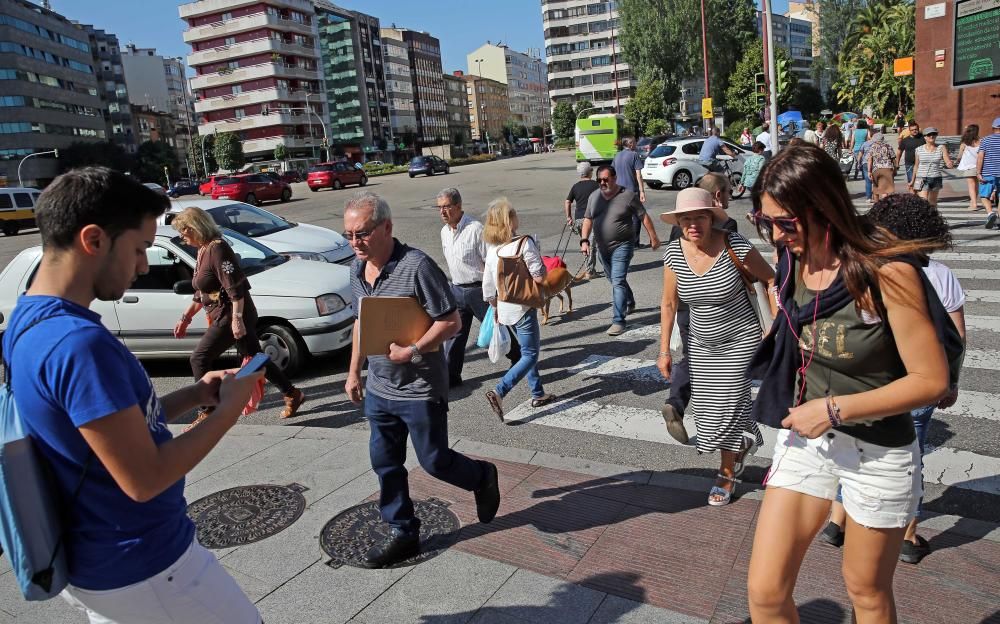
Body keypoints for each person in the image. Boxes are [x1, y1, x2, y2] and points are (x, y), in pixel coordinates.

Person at [4, 167, 265, 623]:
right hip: (148, 566)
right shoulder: (77, 344)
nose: (144, 265)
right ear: (94, 240)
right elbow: (144, 479)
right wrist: (226, 411)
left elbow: (108, 433)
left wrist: (197, 394)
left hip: (102, 564)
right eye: (139, 248)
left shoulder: (27, 321)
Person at [745, 145, 950, 621]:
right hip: (807, 443)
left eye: (786, 222)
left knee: (866, 592)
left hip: (877, 451)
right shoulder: (790, 258)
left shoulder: (886, 270)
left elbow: (932, 379)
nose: (776, 234)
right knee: (765, 592)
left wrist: (834, 409)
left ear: (823, 207)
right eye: (765, 220)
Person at [342, 191, 501, 568]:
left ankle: (481, 476)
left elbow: (451, 322)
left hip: (419, 388)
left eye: (361, 233)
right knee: (384, 461)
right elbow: (361, 321)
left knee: (434, 461)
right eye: (348, 234)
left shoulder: (416, 267)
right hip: (380, 387)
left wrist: (412, 350)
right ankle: (403, 531)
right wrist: (354, 371)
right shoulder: (355, 269)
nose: (355, 242)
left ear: (386, 227)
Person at [821, 193, 966, 564]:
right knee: (909, 459)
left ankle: (837, 521)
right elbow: (955, 336)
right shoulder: (937, 273)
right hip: (915, 387)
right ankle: (908, 534)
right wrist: (950, 381)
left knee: (854, 450)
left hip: (869, 385)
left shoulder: (864, 267)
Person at [658, 187, 776, 506]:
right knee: (709, 413)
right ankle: (741, 444)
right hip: (701, 342)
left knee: (727, 405)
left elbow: (771, 279)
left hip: (741, 339)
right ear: (679, 222)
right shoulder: (673, 253)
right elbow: (669, 304)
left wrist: (776, 326)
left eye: (699, 217)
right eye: (686, 218)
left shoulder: (733, 244)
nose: (693, 224)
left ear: (711, 218)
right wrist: (665, 350)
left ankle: (726, 472)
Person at [172, 207, 305, 428]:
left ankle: (208, 411)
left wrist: (237, 319)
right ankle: (293, 393)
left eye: (184, 233)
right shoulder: (203, 249)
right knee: (255, 356)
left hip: (231, 313)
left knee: (199, 359)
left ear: (193, 228)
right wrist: (185, 318)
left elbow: (235, 287)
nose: (183, 239)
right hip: (222, 313)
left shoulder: (218, 249)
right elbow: (202, 292)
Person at [660, 173, 741, 445]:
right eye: (727, 192)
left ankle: (677, 403)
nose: (730, 196)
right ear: (717, 197)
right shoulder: (726, 226)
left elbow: (669, 295)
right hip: (716, 308)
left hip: (685, 305)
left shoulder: (680, 228)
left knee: (692, 356)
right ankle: (720, 423)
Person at [481, 198, 557, 420]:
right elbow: (540, 276)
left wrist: (494, 306)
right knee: (531, 354)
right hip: (523, 307)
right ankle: (499, 391)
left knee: (527, 351)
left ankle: (538, 393)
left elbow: (487, 284)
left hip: (505, 309)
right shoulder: (524, 243)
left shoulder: (493, 247)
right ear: (509, 220)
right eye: (513, 214)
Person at [438, 187, 519, 387]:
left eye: (446, 207)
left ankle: (519, 359)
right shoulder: (444, 232)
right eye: (439, 207)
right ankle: (451, 376)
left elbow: (491, 262)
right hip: (457, 290)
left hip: (479, 290)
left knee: (496, 329)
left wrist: (495, 294)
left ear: (458, 206)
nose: (442, 211)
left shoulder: (475, 229)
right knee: (455, 335)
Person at [581, 165, 662, 336]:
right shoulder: (594, 197)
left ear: (614, 178)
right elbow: (588, 219)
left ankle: (619, 320)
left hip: (623, 244)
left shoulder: (627, 196)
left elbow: (643, 216)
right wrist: (584, 240)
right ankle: (629, 301)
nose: (602, 183)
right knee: (614, 279)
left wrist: (653, 237)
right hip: (602, 248)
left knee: (617, 280)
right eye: (599, 180)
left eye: (606, 179)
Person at [565, 162, 601, 279]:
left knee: (586, 243)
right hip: (592, 219)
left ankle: (590, 268)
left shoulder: (575, 186)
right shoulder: (596, 185)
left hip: (579, 219)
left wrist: (569, 217)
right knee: (591, 245)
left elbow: (567, 202)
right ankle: (590, 271)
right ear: (589, 172)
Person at [612, 137, 648, 247]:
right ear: (630, 144)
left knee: (622, 217)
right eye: (634, 142)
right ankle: (635, 242)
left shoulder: (617, 155)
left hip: (618, 191)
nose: (636, 143)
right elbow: (639, 175)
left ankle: (623, 241)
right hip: (631, 191)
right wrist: (642, 191)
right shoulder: (634, 155)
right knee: (637, 216)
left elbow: (613, 173)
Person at [910, 127, 955, 206]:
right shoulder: (919, 149)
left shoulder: (941, 148)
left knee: (932, 202)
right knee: (923, 201)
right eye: (929, 135)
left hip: (935, 177)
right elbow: (916, 166)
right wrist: (912, 180)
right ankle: (923, 218)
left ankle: (932, 218)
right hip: (921, 178)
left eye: (934, 134)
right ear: (925, 137)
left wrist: (950, 164)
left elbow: (947, 161)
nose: (931, 136)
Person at [978, 117, 1000, 229]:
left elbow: (981, 157)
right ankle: (999, 215)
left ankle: (990, 213)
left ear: (993, 128)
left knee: (984, 195)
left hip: (988, 172)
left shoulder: (985, 140)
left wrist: (978, 172)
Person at [956, 124, 981, 211]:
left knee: (971, 185)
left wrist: (957, 161)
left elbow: (959, 156)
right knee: (976, 185)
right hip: (979, 166)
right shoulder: (981, 142)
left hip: (969, 167)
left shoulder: (964, 143)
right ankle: (973, 201)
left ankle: (974, 204)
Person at [868, 132, 896, 202]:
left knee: (876, 188)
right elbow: (893, 159)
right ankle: (885, 205)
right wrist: (895, 169)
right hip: (887, 168)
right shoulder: (888, 146)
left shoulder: (872, 147)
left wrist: (869, 171)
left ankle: (876, 205)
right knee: (885, 190)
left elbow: (870, 160)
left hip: (876, 169)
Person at [897, 120, 925, 184]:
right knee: (911, 183)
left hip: (922, 164)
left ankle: (919, 193)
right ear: (909, 131)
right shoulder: (905, 140)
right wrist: (897, 163)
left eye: (916, 129)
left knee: (921, 183)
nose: (914, 131)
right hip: (909, 164)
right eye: (912, 130)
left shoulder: (923, 138)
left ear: (918, 129)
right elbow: (899, 152)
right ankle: (913, 193)